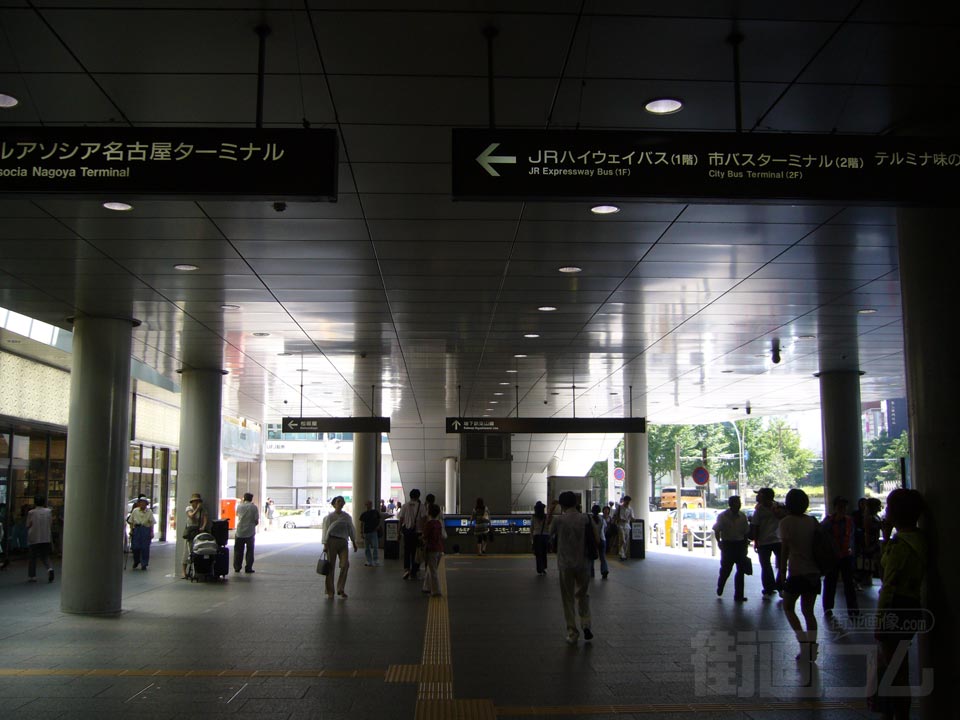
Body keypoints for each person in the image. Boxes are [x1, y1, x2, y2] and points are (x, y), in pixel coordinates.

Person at [872, 488, 926, 720]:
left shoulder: (899, 546)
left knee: (895, 669)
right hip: (913, 605)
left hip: (895, 608)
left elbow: (888, 582)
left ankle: (898, 714)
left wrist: (879, 621)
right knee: (898, 665)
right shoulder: (921, 539)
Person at [777, 488, 821, 663]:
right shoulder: (812, 521)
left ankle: (802, 641)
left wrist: (781, 571)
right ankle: (812, 647)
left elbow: (785, 550)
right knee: (809, 612)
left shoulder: (786, 522)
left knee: (788, 607)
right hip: (814, 572)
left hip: (796, 572)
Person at [550, 491, 599, 645]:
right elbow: (596, 538)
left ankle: (572, 632)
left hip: (565, 564)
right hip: (583, 563)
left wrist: (550, 511)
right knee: (583, 595)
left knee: (568, 598)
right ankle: (586, 624)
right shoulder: (586, 518)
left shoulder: (560, 520)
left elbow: (548, 533)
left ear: (562, 504)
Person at [821, 496, 859, 618]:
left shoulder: (848, 521)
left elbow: (852, 538)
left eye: (844, 507)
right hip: (835, 556)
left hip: (845, 555)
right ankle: (829, 607)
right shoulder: (829, 522)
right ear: (836, 507)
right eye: (840, 507)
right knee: (832, 582)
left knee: (847, 583)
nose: (843, 509)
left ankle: (851, 609)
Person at [713, 495, 750, 602]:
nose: (738, 505)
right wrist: (719, 542)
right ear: (730, 504)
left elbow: (745, 532)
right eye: (736, 503)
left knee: (741, 571)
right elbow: (717, 530)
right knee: (726, 569)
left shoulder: (742, 516)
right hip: (728, 545)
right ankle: (721, 585)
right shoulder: (722, 516)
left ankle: (739, 595)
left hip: (740, 545)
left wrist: (745, 545)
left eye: (739, 503)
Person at [321, 496, 357, 599]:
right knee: (330, 567)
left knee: (345, 564)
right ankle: (330, 591)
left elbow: (351, 529)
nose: (340, 503)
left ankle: (340, 588)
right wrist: (325, 544)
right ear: (334, 504)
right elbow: (325, 531)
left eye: (342, 501)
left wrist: (354, 542)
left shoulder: (347, 517)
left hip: (343, 542)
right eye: (338, 501)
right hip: (331, 541)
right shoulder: (329, 517)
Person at [750, 488, 783, 598]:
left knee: (769, 565)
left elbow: (755, 526)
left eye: (759, 494)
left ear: (765, 496)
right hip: (772, 541)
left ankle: (774, 586)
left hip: (772, 540)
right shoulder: (762, 509)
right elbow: (755, 525)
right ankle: (774, 586)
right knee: (772, 565)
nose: (757, 497)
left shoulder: (778, 507)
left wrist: (756, 541)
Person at [181, 492, 210, 579]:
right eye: (194, 501)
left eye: (197, 501)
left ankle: (197, 569)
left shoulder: (203, 510)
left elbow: (205, 519)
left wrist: (203, 527)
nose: (196, 503)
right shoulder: (188, 508)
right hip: (190, 531)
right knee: (187, 550)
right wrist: (197, 509)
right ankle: (184, 571)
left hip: (199, 531)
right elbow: (191, 516)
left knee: (198, 549)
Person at [26, 495, 54, 583]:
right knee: (45, 556)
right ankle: (49, 568)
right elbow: (51, 523)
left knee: (32, 557)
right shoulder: (48, 512)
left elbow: (28, 525)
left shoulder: (31, 512)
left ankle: (32, 576)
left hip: (34, 537)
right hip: (45, 537)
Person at [397, 489, 423, 580]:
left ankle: (406, 570)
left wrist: (398, 532)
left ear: (410, 496)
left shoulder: (405, 506)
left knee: (407, 551)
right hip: (418, 533)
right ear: (418, 496)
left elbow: (401, 519)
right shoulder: (421, 506)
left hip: (407, 532)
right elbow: (424, 519)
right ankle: (414, 571)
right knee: (416, 552)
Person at [127, 496, 156, 570]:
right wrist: (131, 530)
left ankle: (144, 563)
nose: (142, 504)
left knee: (145, 548)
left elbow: (151, 522)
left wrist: (152, 532)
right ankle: (136, 561)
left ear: (146, 504)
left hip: (146, 529)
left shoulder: (149, 511)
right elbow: (131, 521)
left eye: (144, 503)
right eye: (141, 502)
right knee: (135, 547)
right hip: (137, 529)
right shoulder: (135, 511)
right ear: (139, 504)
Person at [421, 503, 444, 596]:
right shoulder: (438, 523)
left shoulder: (429, 524)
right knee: (431, 568)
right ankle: (426, 587)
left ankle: (436, 591)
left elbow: (425, 536)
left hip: (431, 548)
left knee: (433, 570)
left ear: (429, 513)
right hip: (439, 548)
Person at [234, 492, 259, 574]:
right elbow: (256, 520)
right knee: (250, 551)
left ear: (244, 498)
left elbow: (237, 515)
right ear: (251, 499)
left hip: (239, 532)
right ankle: (248, 568)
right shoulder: (254, 507)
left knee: (238, 551)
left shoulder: (239, 506)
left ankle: (237, 567)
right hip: (250, 532)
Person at [359, 500, 383, 567]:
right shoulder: (364, 514)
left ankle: (375, 560)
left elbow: (379, 520)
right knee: (367, 547)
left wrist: (378, 526)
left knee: (375, 546)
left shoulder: (375, 512)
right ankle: (369, 560)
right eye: (367, 504)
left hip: (374, 531)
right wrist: (361, 532)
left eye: (370, 504)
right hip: (366, 532)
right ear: (365, 505)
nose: (369, 505)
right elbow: (361, 524)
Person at [589, 504, 609, 579]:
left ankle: (591, 572)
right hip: (602, 539)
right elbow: (605, 529)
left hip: (593, 540)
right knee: (602, 556)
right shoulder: (602, 519)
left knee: (591, 557)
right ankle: (604, 571)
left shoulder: (590, 519)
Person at [531, 501, 550, 575]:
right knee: (544, 553)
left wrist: (531, 540)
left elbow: (531, 528)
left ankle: (540, 569)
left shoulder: (533, 517)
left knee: (538, 554)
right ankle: (544, 568)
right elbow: (548, 527)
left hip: (536, 537)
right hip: (545, 536)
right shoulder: (546, 516)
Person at [613, 495, 635, 560]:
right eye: (627, 501)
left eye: (629, 501)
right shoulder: (619, 507)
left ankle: (624, 554)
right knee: (622, 539)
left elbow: (632, 517)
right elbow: (615, 516)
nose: (628, 502)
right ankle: (621, 553)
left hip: (627, 526)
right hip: (620, 525)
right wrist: (619, 519)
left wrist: (633, 519)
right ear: (624, 501)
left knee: (626, 540)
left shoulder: (630, 509)